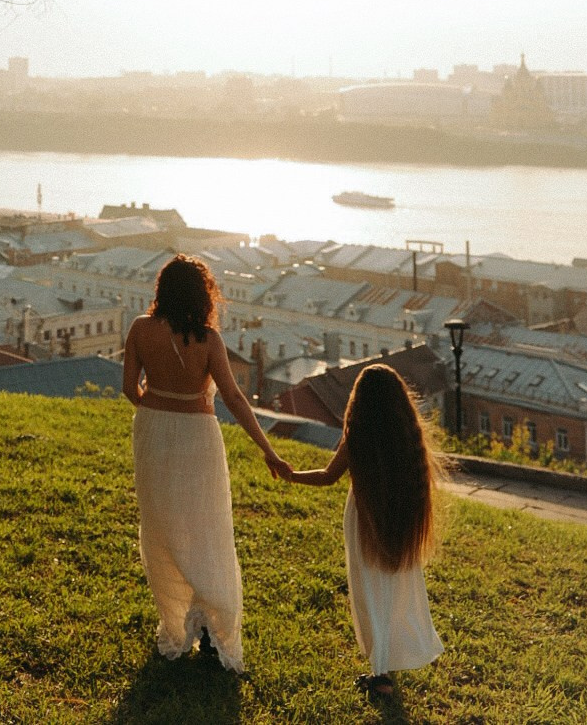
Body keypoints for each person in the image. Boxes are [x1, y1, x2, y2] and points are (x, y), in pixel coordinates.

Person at [122, 254, 291, 672]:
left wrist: (159, 409)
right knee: (207, 528)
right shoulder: (210, 340)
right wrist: (269, 451)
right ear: (204, 295)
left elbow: (129, 389)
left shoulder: (140, 329)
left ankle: (178, 622)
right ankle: (212, 624)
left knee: (161, 525)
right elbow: (234, 399)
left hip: (154, 429)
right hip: (199, 436)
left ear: (162, 289)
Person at [282, 362, 445, 702]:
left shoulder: (359, 432)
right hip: (398, 516)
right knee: (393, 590)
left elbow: (329, 476)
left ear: (360, 401)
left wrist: (291, 475)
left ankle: (381, 672)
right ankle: (387, 663)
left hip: (364, 518)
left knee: (369, 592)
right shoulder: (407, 435)